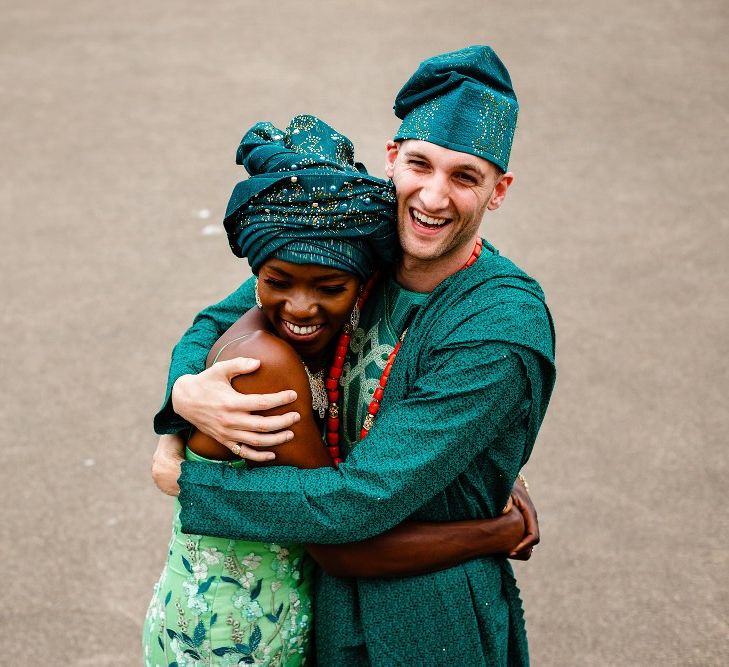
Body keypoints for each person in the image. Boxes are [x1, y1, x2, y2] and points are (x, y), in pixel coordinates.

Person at [154, 46, 555, 664]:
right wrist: (182, 396)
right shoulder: (359, 243)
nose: (433, 196)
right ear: (392, 158)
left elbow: (358, 501)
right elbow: (218, 317)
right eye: (420, 164)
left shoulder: (500, 327)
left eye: (465, 177)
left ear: (499, 190)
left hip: (427, 621)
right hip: (321, 601)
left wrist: (187, 480)